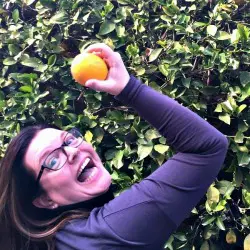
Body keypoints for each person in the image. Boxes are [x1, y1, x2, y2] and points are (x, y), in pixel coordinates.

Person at [0, 43, 228, 250]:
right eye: (52, 160)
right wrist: (129, 89)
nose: (71, 151)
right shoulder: (107, 233)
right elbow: (206, 147)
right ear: (45, 200)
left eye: (68, 140)